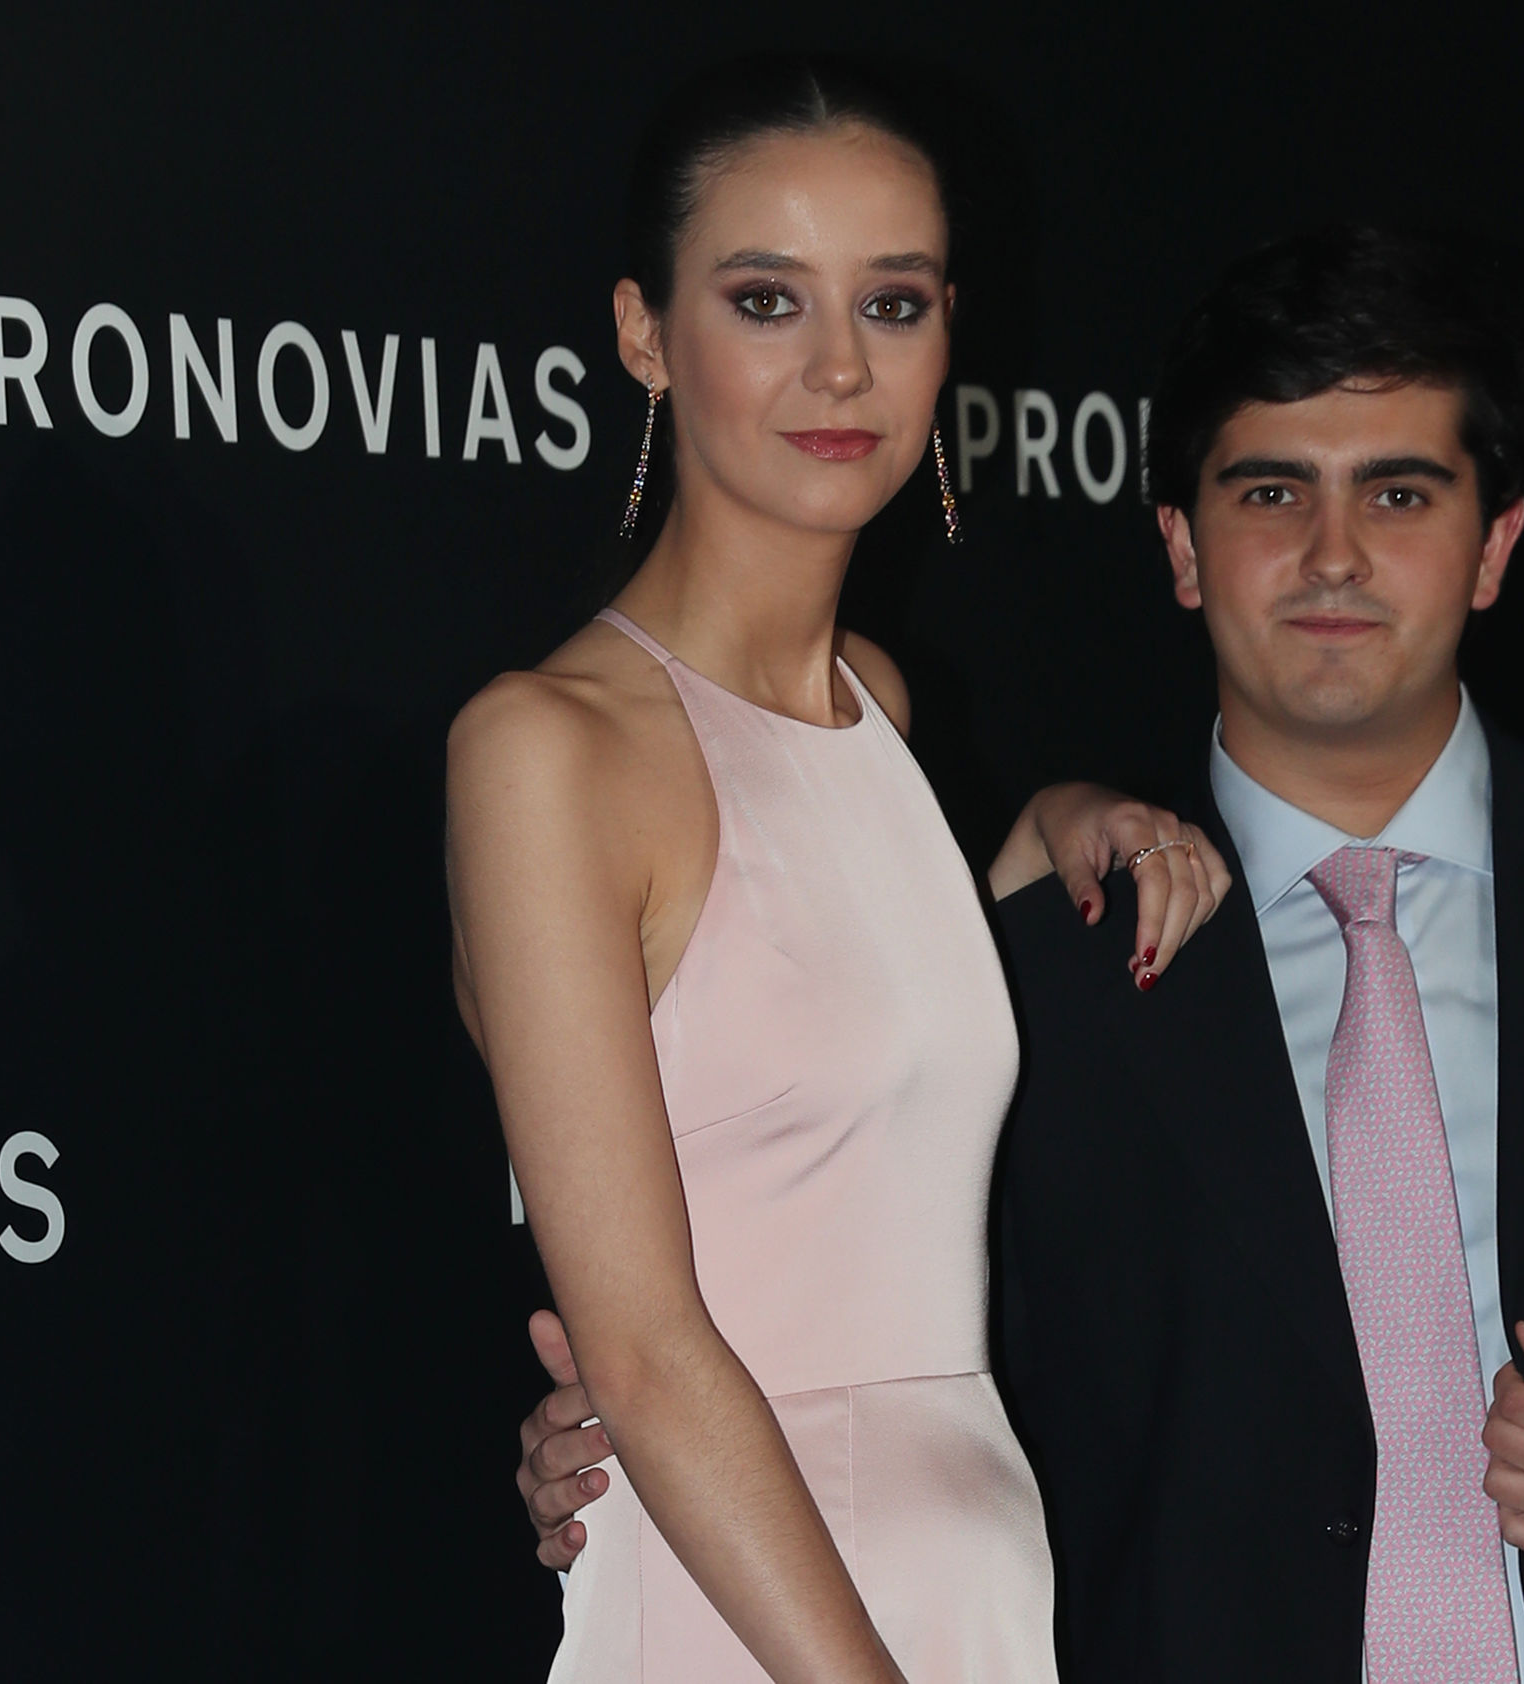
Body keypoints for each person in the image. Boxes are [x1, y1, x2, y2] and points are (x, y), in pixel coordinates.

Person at [518, 226, 1524, 1682]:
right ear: (1181, 547)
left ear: (1495, 544)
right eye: (1269, 493)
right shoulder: (1030, 981)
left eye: (1399, 494)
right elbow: (881, 1364)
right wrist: (627, 1451)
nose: (1331, 557)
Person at [450, 57, 1230, 1684]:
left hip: (971, 1569)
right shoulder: (547, 751)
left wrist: (1056, 822)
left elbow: (823, 1002)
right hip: (755, 1606)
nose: (838, 366)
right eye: (764, 299)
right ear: (644, 335)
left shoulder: (875, 698)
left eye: (892, 303)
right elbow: (643, 1353)